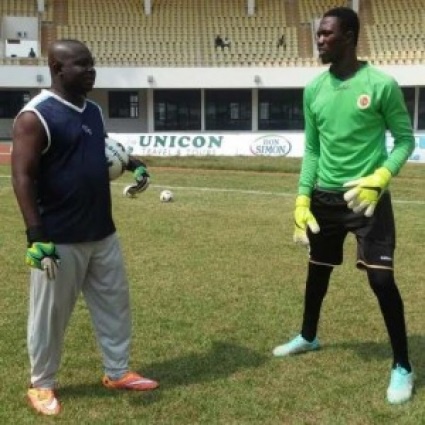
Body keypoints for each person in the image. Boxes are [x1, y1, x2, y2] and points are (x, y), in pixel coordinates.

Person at [272, 7, 415, 405]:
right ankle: (308, 336)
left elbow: (404, 140)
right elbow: (313, 149)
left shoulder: (382, 85)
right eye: (318, 34)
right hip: (325, 198)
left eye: (326, 34)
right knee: (317, 273)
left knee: (382, 281)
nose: (319, 40)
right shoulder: (313, 89)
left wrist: (380, 178)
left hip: (367, 200)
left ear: (350, 36)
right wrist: (303, 198)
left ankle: (403, 365)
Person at [11, 39, 157, 416]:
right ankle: (41, 384)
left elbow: (98, 150)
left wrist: (132, 162)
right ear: (58, 69)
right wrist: (36, 236)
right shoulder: (35, 116)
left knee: (115, 306)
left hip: (102, 232)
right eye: (81, 65)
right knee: (49, 317)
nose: (91, 71)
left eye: (92, 64)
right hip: (58, 237)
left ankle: (117, 372)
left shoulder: (92, 110)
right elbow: (22, 177)